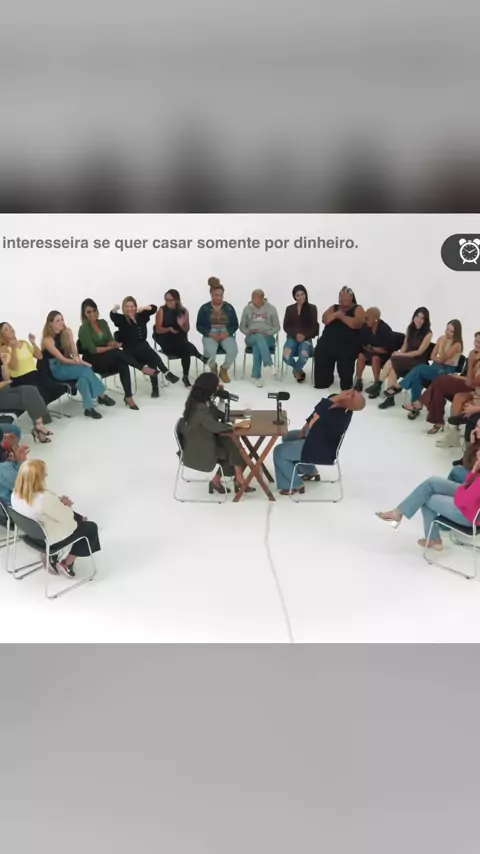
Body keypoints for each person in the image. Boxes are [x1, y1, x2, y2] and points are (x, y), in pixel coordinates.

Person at [11, 458, 101, 577]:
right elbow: (67, 517)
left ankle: (52, 554)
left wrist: (57, 503)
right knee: (90, 528)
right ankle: (67, 563)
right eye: (43, 474)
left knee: (74, 518)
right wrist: (66, 505)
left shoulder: (15, 494)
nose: (46, 475)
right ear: (37, 478)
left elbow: (41, 510)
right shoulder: (44, 499)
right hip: (48, 538)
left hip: (31, 534)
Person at [376, 449, 480, 550]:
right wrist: (474, 471)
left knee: (426, 498)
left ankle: (433, 539)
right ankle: (398, 513)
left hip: (470, 515)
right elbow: (469, 486)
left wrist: (463, 488)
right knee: (432, 482)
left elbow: (462, 500)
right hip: (472, 501)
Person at [273, 389, 365, 496]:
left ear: (350, 405)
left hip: (320, 446)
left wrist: (337, 398)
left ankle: (294, 485)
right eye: (352, 391)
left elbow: (321, 417)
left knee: (279, 451)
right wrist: (305, 426)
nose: (348, 392)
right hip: (314, 435)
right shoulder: (334, 398)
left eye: (351, 395)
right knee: (287, 437)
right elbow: (317, 410)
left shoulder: (341, 417)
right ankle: (309, 470)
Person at [177, 373, 254, 495]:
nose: (217, 387)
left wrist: (222, 398)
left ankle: (223, 480)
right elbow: (215, 426)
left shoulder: (203, 401)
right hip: (199, 448)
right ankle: (239, 479)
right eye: (216, 386)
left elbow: (218, 414)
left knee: (233, 444)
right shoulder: (199, 407)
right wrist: (236, 426)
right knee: (235, 448)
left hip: (205, 438)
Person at [42, 311, 116, 420]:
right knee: (85, 370)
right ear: (50, 324)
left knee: (83, 379)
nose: (61, 323)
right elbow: (62, 359)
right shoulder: (48, 340)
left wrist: (77, 358)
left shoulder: (67, 332)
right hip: (57, 368)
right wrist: (80, 363)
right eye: (57, 321)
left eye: (62, 319)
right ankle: (101, 395)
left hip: (67, 363)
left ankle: (88, 409)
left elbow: (74, 350)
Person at [78, 298, 145, 410]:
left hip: (106, 357)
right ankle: (141, 367)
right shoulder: (84, 329)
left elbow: (109, 340)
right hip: (92, 360)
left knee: (122, 362)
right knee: (116, 353)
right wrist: (111, 348)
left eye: (94, 310)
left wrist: (115, 344)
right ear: (84, 314)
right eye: (88, 312)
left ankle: (128, 397)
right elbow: (93, 350)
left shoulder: (102, 323)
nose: (92, 314)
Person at [110, 297, 179, 398]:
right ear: (124, 308)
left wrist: (144, 308)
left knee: (149, 356)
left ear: (135, 307)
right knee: (147, 351)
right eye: (127, 307)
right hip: (131, 352)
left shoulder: (140, 316)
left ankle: (155, 388)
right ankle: (166, 372)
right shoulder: (122, 319)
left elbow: (154, 308)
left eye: (132, 306)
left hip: (144, 350)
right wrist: (115, 309)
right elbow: (113, 316)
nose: (129, 309)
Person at [398, 320, 463, 420]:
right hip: (436, 367)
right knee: (418, 377)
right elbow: (432, 356)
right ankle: (415, 406)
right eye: (447, 329)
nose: (448, 332)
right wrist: (440, 359)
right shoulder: (441, 338)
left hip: (446, 372)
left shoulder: (457, 344)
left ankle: (400, 386)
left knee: (419, 368)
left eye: (451, 331)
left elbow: (442, 358)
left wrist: (442, 346)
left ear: (456, 333)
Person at [420, 331, 480, 436]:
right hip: (467, 382)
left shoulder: (473, 356)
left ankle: (423, 404)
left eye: (479, 342)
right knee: (439, 383)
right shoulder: (474, 353)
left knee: (441, 380)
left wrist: (469, 363)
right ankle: (438, 420)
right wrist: (457, 376)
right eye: (475, 341)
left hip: (473, 388)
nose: (476, 344)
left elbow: (471, 382)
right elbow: (467, 376)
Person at [378, 307, 433, 409]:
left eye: (422, 318)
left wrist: (400, 355)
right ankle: (389, 399)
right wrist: (400, 353)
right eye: (417, 317)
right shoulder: (410, 328)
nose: (418, 320)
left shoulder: (428, 334)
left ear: (425, 320)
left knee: (393, 361)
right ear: (414, 317)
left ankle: (378, 384)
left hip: (418, 362)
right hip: (407, 359)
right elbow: (405, 345)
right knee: (393, 370)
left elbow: (419, 352)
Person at [0, 322, 65, 405]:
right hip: (20, 379)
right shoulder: (3, 349)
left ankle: (40, 405)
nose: (10, 330)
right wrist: (13, 348)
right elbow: (14, 367)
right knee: (42, 394)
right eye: (6, 329)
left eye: (10, 327)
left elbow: (39, 356)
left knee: (59, 388)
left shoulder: (24, 343)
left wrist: (33, 343)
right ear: (2, 336)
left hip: (34, 375)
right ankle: (39, 407)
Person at [153, 289, 207, 388]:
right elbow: (158, 329)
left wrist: (181, 324)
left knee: (185, 348)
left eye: (170, 300)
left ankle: (185, 376)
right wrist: (169, 329)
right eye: (166, 299)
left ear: (177, 300)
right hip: (166, 340)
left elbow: (186, 330)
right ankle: (200, 357)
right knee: (185, 345)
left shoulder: (183, 311)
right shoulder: (161, 311)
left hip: (180, 340)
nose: (168, 302)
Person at [314, 287, 365, 390]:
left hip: (347, 344)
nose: (342, 299)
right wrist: (335, 315)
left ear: (351, 297)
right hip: (328, 342)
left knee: (345, 383)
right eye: (340, 297)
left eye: (345, 297)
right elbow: (325, 319)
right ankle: (325, 380)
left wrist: (342, 317)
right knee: (320, 352)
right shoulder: (334, 307)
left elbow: (357, 324)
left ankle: (346, 383)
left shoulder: (358, 308)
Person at [0, 352, 55, 443]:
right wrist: (4, 383)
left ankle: (39, 425)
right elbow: (6, 382)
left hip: (6, 390)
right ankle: (39, 428)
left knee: (31, 389)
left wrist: (5, 363)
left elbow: (6, 379)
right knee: (29, 398)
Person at [196, 285, 239, 384]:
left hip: (225, 332)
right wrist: (210, 334)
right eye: (216, 295)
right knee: (210, 352)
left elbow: (235, 324)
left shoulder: (229, 308)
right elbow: (199, 326)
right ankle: (213, 367)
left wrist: (227, 333)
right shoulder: (204, 308)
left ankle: (224, 369)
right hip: (210, 333)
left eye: (220, 295)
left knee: (233, 351)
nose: (219, 297)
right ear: (211, 295)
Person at [239, 289, 280, 386]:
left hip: (268, 337)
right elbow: (242, 327)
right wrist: (249, 332)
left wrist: (268, 333)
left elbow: (277, 327)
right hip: (251, 337)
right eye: (253, 298)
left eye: (257, 299)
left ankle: (255, 376)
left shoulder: (271, 309)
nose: (254, 301)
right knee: (258, 337)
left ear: (262, 298)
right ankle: (269, 364)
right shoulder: (247, 309)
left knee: (258, 344)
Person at [282, 285, 319, 383]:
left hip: (306, 339)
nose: (301, 297)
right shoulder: (289, 309)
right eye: (298, 295)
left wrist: (304, 335)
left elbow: (314, 327)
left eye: (302, 294)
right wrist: (296, 334)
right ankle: (298, 370)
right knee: (286, 357)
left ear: (305, 294)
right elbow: (286, 326)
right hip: (292, 338)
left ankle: (296, 370)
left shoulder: (312, 308)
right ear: (294, 297)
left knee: (303, 358)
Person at [355, 307, 394, 396]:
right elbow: (363, 343)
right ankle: (358, 380)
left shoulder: (385, 329)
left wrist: (373, 348)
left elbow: (387, 349)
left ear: (375, 319)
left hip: (384, 355)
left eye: (367, 318)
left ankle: (376, 385)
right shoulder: (365, 327)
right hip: (370, 350)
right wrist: (372, 348)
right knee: (361, 356)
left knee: (375, 358)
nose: (365, 320)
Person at [0, 436, 29, 506]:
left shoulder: (6, 468)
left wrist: (18, 462)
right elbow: (28, 488)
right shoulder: (5, 471)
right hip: (16, 506)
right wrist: (22, 463)